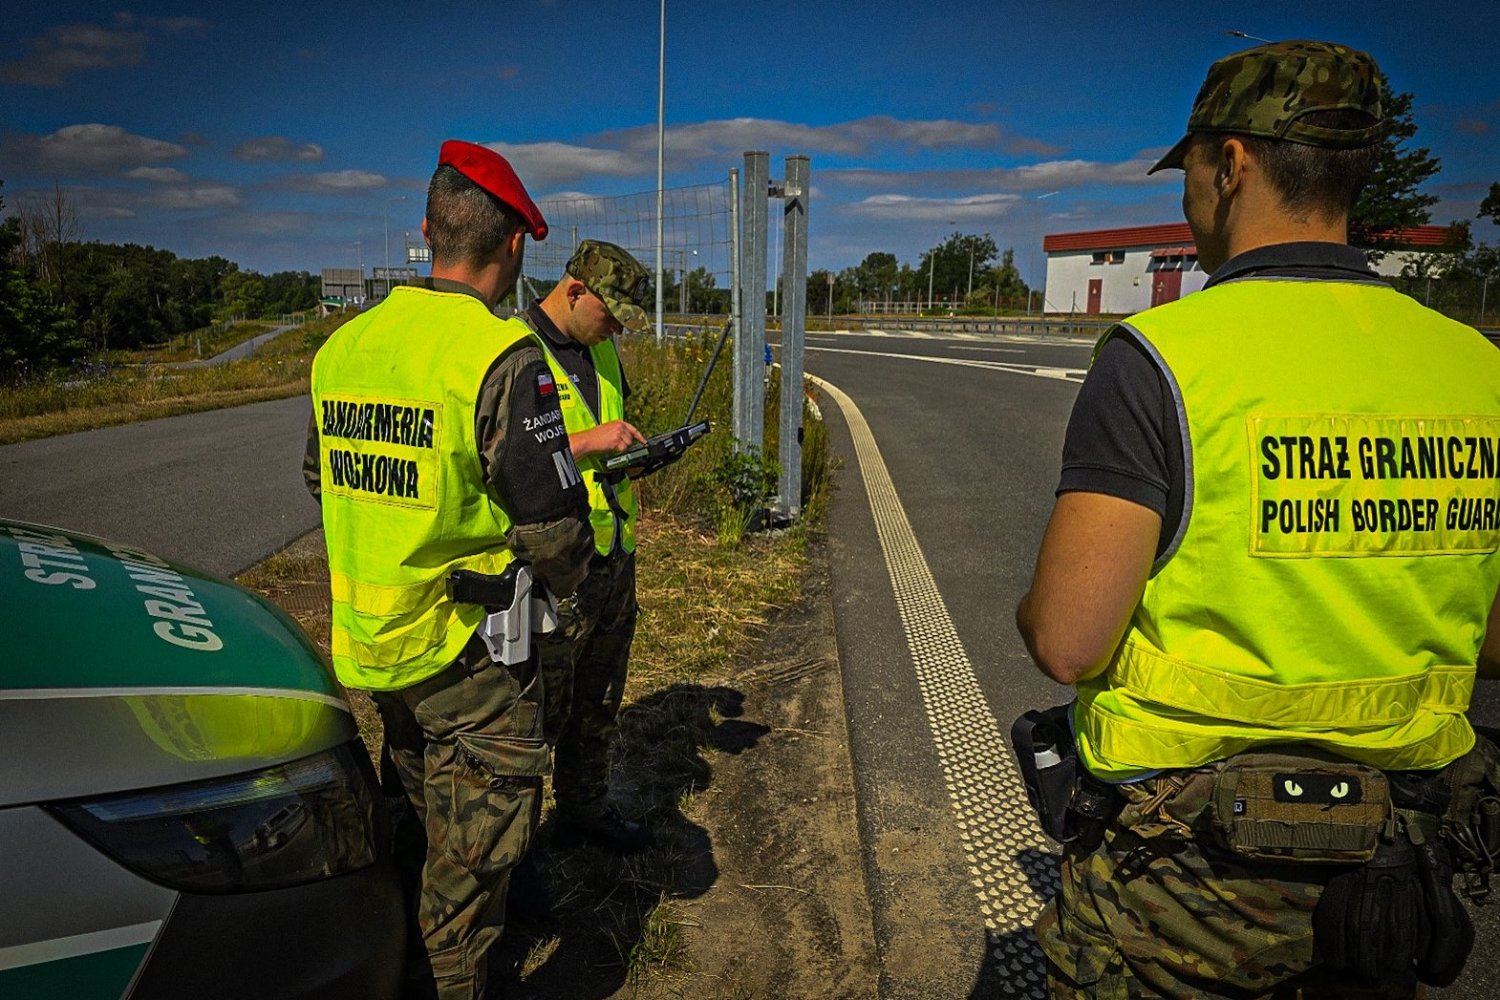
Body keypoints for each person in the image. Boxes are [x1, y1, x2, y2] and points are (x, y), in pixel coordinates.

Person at [1015, 40, 1500, 999]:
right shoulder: (1473, 364)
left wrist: (1033, 610)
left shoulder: (1163, 356)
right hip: (1391, 878)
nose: (1191, 194)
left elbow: (1070, 642)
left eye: (1191, 169)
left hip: (1185, 879)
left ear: (1231, 164)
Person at [305, 139, 595, 1000]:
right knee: (467, 876)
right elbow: (552, 529)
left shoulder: (344, 349)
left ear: (426, 230)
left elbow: (323, 480)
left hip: (376, 648)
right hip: (469, 653)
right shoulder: (500, 358)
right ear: (513, 246)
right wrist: (571, 593)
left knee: (416, 821)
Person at [521, 239, 656, 854]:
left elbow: (608, 441)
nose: (615, 331)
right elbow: (504, 461)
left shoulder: (601, 353)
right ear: (574, 291)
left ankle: (584, 808)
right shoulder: (516, 354)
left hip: (611, 557)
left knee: (598, 700)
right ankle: (519, 852)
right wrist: (587, 442)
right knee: (534, 717)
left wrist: (632, 455)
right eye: (611, 315)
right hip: (553, 568)